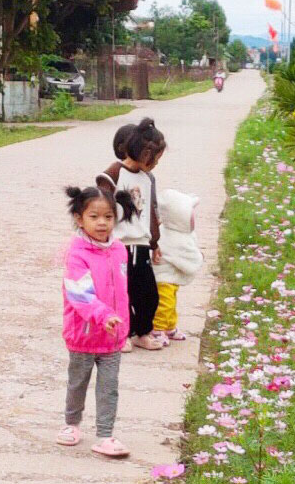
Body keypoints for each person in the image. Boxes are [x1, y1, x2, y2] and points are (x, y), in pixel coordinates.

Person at [58, 186, 135, 457]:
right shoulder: (77, 253)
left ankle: (105, 435)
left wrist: (124, 321)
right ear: (80, 219)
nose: (102, 223)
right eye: (94, 216)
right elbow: (79, 294)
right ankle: (71, 423)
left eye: (108, 217)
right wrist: (104, 316)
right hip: (85, 333)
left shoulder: (119, 250)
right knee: (78, 381)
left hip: (113, 335)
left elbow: (123, 289)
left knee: (109, 387)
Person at [97, 118, 167, 352]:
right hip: (117, 246)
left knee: (148, 294)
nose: (156, 163)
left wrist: (155, 242)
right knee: (120, 294)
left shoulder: (148, 179)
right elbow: (98, 209)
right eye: (154, 157)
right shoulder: (113, 174)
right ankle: (123, 333)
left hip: (142, 245)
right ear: (141, 151)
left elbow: (151, 211)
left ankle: (142, 332)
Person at [151, 190, 204, 346]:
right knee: (165, 304)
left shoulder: (173, 232)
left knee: (172, 302)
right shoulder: (175, 237)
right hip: (163, 278)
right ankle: (158, 328)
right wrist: (200, 257)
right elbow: (190, 260)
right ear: (179, 217)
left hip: (169, 277)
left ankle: (169, 326)